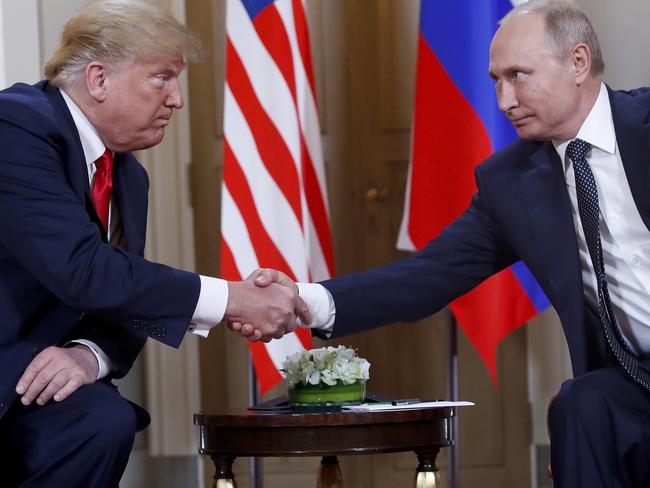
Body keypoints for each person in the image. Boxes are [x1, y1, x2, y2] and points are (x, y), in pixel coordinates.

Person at [239, 1, 650, 486]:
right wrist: (304, 299)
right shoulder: (512, 182)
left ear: (578, 63)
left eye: (518, 75)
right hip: (635, 382)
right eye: (496, 80)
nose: (504, 100)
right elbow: (427, 277)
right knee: (583, 404)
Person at [0, 1, 310, 486]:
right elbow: (84, 270)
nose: (177, 99)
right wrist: (233, 297)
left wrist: (88, 355)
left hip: (29, 379)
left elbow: (122, 297)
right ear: (99, 80)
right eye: (161, 78)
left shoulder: (126, 175)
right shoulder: (16, 127)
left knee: (101, 421)